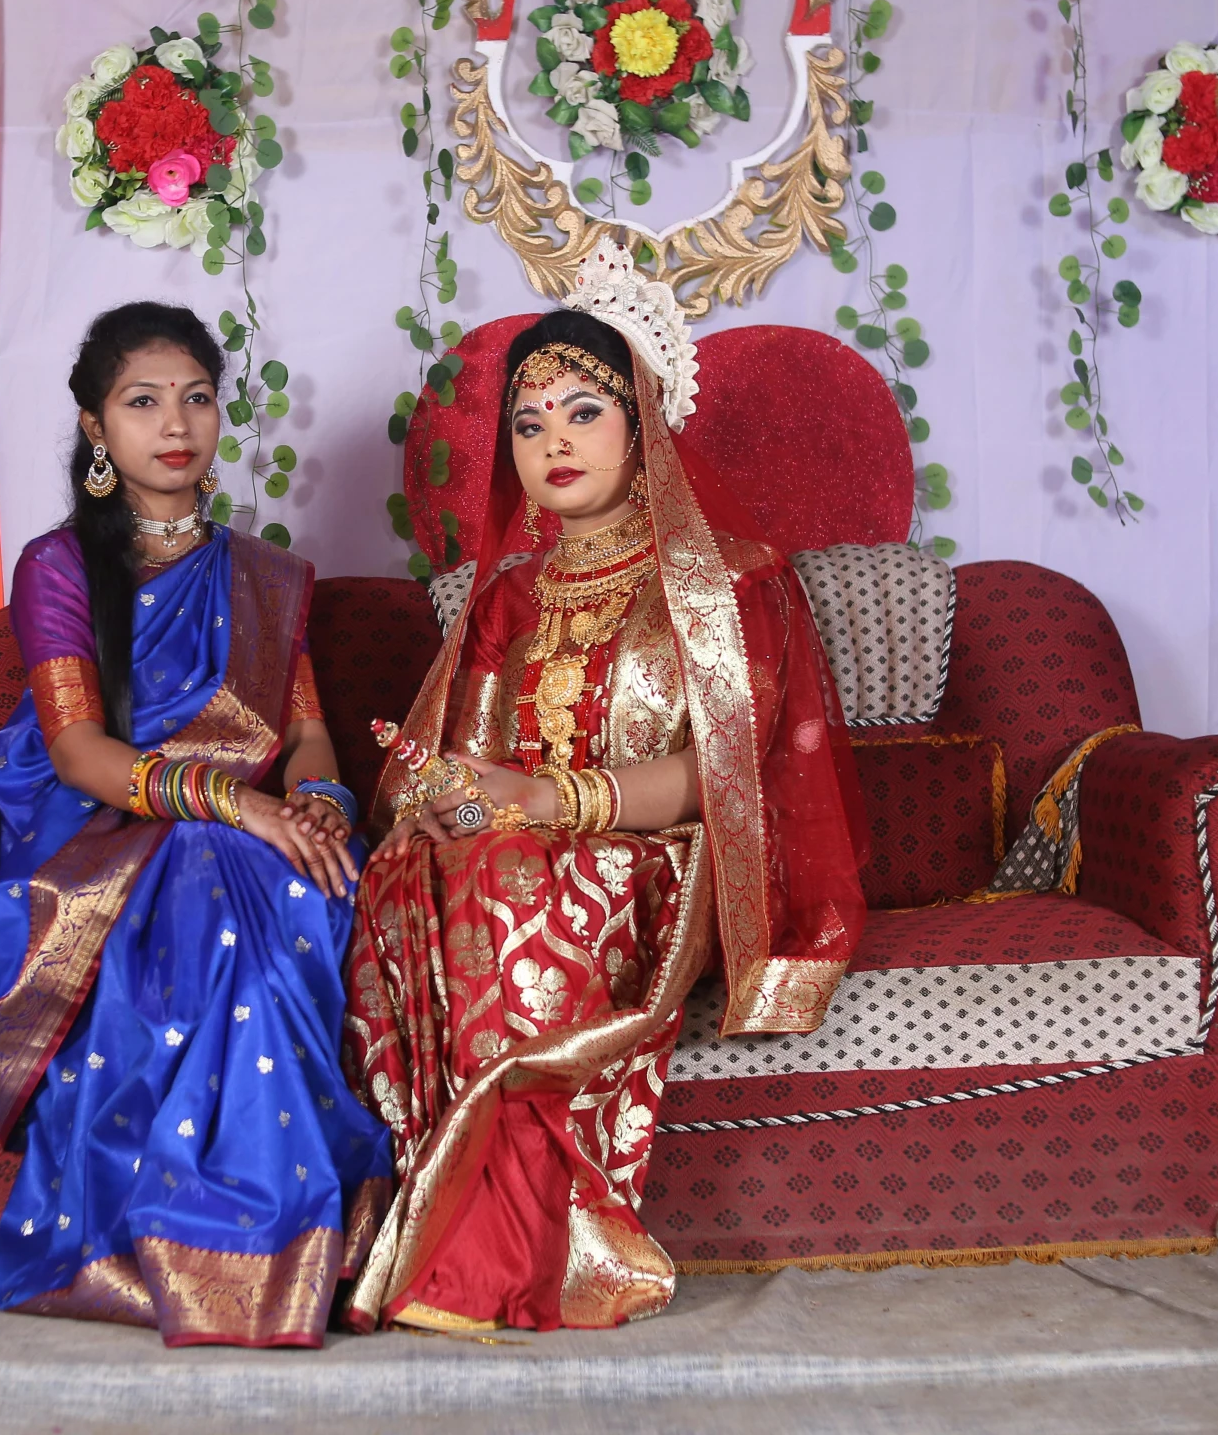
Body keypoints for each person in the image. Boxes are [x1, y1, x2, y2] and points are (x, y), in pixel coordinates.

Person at [341, 241, 870, 1334]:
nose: (553, 444)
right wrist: (447, 793)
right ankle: (448, 1229)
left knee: (503, 880)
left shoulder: (731, 582)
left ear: (642, 426)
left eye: (582, 412)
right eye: (529, 426)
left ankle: (505, 1256)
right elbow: (463, 756)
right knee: (409, 868)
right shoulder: (505, 600)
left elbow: (718, 778)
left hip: (663, 856)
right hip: (515, 847)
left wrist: (547, 803)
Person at [0, 301, 390, 1348]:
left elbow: (310, 732)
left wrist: (320, 804)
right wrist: (235, 799)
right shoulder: (59, 567)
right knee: (213, 886)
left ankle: (287, 1243)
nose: (173, 422)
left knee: (301, 876)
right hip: (109, 824)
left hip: (258, 819)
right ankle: (209, 1246)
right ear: (97, 427)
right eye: (142, 402)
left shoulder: (265, 577)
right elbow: (76, 751)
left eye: (195, 397)